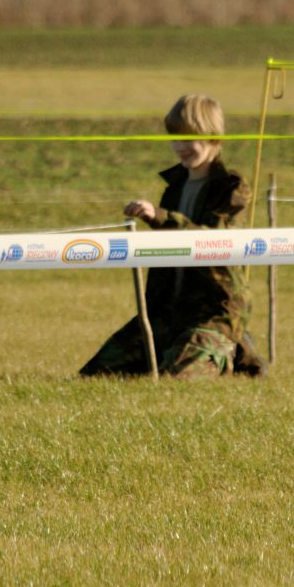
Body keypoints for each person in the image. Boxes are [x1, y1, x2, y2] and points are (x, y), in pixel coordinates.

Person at [81, 94, 263, 379]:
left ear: (213, 136)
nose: (180, 146)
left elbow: (212, 243)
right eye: (174, 138)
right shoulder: (174, 188)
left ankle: (232, 348)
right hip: (167, 315)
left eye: (188, 138)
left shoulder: (231, 189)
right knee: (96, 374)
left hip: (212, 315)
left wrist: (160, 217)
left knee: (174, 381)